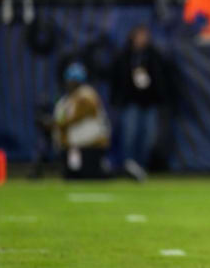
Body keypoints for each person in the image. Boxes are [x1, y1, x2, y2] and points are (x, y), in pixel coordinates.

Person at [111, 26, 168, 180]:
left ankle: (141, 168)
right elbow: (116, 78)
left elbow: (162, 77)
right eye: (140, 36)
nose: (143, 39)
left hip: (149, 102)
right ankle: (128, 167)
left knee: (148, 137)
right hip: (131, 102)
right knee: (129, 135)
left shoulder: (153, 56)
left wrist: (160, 96)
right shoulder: (125, 56)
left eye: (145, 36)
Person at [52, 62, 111, 179]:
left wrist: (60, 124)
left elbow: (82, 110)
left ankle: (122, 172)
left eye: (75, 81)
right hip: (72, 148)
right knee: (72, 176)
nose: (72, 84)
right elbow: (60, 121)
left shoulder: (87, 94)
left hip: (91, 145)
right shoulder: (64, 101)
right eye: (71, 80)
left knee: (92, 176)